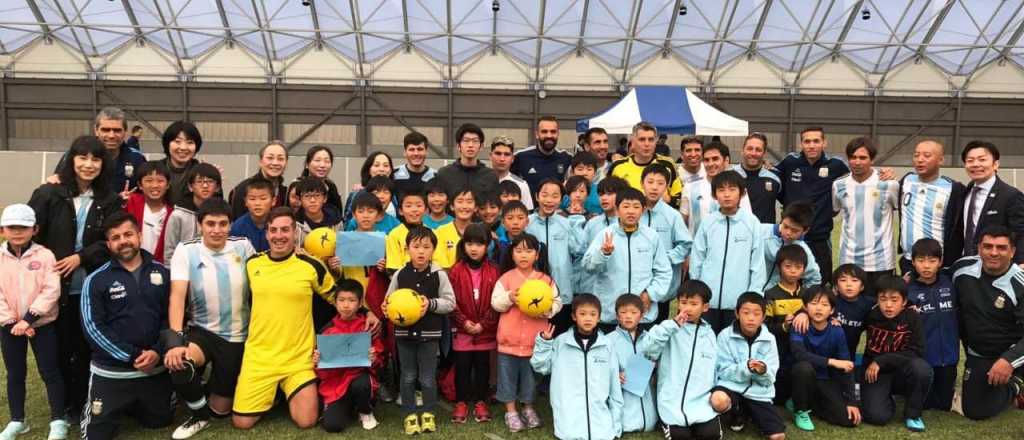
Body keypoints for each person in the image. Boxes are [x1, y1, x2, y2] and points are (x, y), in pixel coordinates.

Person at [28, 135, 123, 420]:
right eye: (82, 157)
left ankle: (83, 400)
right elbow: (30, 232)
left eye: (95, 159)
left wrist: (81, 257)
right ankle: (63, 404)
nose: (89, 164)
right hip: (53, 283)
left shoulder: (109, 198)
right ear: (72, 160)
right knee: (58, 347)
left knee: (85, 347)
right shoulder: (49, 193)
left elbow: (112, 240)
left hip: (89, 283)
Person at [232, 207, 335, 430]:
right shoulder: (252, 264)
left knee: (306, 421)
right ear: (267, 234)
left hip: (298, 358)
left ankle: (285, 390)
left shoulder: (311, 265)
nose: (279, 236)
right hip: (260, 357)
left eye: (285, 230)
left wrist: (369, 313)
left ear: (295, 233)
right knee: (242, 423)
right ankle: (274, 392)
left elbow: (339, 298)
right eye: (274, 230)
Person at [161, 199, 255, 439]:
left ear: (230, 225)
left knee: (221, 410)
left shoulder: (243, 246)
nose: (216, 229)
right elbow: (177, 297)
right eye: (210, 223)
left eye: (223, 224)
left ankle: (203, 393)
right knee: (180, 363)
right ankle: (198, 414)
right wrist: (175, 340)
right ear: (200, 224)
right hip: (202, 331)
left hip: (237, 336)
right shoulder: (187, 249)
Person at [80, 212, 174, 439]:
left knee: (160, 422)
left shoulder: (162, 272)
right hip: (112, 373)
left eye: (128, 234)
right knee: (96, 435)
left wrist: (157, 352)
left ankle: (136, 404)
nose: (123, 241)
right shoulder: (95, 279)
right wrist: (132, 355)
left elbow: (170, 318)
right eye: (116, 237)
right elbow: (93, 327)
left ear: (140, 236)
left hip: (154, 369)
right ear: (109, 244)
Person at [0, 204, 67, 440]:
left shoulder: (45, 255)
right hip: (10, 328)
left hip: (42, 325)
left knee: (50, 371)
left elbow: (51, 290)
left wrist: (29, 319)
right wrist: (11, 324)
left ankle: (59, 420)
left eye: (24, 227)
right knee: (15, 373)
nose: (18, 232)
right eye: (12, 227)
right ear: (3, 229)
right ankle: (18, 420)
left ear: (34, 229)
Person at [383, 226, 456, 435]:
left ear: (433, 249)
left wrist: (431, 304)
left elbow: (450, 303)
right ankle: (409, 415)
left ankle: (428, 414)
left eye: (426, 247)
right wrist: (386, 308)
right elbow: (388, 300)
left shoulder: (439, 274)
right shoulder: (399, 274)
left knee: (427, 377)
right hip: (404, 335)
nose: (421, 251)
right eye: (416, 246)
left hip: (430, 335)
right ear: (407, 249)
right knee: (407, 376)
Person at [639, 280, 730, 440]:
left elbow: (715, 368)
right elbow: (648, 349)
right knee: (680, 436)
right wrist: (672, 325)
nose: (687, 308)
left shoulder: (709, 335)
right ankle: (667, 421)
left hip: (701, 401)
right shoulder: (668, 328)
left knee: (710, 435)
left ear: (705, 307)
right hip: (671, 401)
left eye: (694, 303)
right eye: (683, 302)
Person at [951, 226, 1024, 420]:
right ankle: (1014, 384)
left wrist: (1008, 360)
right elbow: (937, 278)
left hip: (1013, 351)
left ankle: (1017, 380)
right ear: (979, 248)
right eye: (987, 246)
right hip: (980, 353)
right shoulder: (962, 269)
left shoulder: (1020, 283)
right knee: (976, 410)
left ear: (1012, 252)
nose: (993, 252)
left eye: (1001, 247)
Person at [491, 234, 561, 433]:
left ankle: (528, 408)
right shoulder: (506, 279)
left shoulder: (545, 280)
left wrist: (546, 310)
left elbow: (557, 302)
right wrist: (509, 297)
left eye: (529, 251)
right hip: (508, 341)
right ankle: (511, 411)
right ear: (512, 254)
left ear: (537, 255)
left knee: (531, 379)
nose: (524, 255)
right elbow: (495, 303)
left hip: (534, 342)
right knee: (507, 378)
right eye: (519, 251)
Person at [531, 294, 623, 440]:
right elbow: (541, 367)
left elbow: (615, 387)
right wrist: (544, 343)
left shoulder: (607, 344)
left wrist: (616, 425)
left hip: (601, 427)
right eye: (582, 314)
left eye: (593, 314)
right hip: (568, 425)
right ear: (574, 316)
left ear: (599, 318)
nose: (588, 318)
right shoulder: (561, 342)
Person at [583, 187, 671, 331]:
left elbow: (664, 271)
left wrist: (650, 293)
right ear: (617, 209)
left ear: (643, 210)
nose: (631, 211)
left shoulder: (651, 236)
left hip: (642, 314)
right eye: (626, 206)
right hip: (610, 313)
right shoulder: (605, 234)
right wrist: (603, 254)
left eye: (636, 207)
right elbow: (588, 266)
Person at [690, 171, 765, 332]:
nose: (727, 195)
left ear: (742, 193)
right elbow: (697, 258)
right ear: (714, 194)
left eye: (732, 189)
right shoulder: (708, 223)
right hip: (708, 301)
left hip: (737, 302)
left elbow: (758, 264)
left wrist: (752, 297)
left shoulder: (751, 223)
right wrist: (697, 292)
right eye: (721, 190)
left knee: (733, 344)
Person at [773, 127, 850, 284]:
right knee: (787, 283)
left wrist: (884, 174)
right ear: (801, 144)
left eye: (816, 141)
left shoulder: (835, 165)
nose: (811, 145)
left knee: (820, 283)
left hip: (820, 239)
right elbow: (772, 180)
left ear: (824, 143)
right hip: (791, 239)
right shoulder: (790, 161)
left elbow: (857, 177)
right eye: (807, 141)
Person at [860, 275, 930, 432]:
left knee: (922, 369)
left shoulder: (912, 316)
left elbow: (917, 351)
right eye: (883, 299)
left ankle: (913, 414)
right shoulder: (871, 314)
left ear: (904, 301)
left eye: (894, 299)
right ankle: (885, 397)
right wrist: (832, 319)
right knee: (876, 417)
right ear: (877, 299)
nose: (888, 305)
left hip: (902, 368)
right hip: (876, 372)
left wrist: (882, 360)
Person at [832, 137, 899, 296]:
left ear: (872, 159)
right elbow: (836, 208)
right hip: (849, 260)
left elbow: (900, 208)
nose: (857, 162)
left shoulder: (889, 185)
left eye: (863, 157)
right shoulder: (838, 185)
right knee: (851, 310)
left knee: (880, 309)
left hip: (881, 262)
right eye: (853, 157)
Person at [315, 279, 384, 432]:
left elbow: (380, 361)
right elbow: (323, 374)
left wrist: (374, 359)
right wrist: (318, 362)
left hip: (360, 380)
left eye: (352, 300)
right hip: (336, 385)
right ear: (335, 302)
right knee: (333, 426)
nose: (346, 305)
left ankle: (365, 410)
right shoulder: (327, 331)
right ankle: (348, 406)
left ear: (360, 304)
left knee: (362, 383)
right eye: (342, 300)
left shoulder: (367, 327)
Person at [448, 224, 500, 424]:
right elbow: (451, 301)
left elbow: (497, 302)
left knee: (482, 366)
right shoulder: (456, 270)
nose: (474, 248)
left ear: (487, 246)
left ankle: (480, 401)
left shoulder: (494, 271)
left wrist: (483, 324)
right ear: (464, 245)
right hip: (463, 330)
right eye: (469, 243)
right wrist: (464, 322)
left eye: (479, 244)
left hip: (485, 331)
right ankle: (461, 402)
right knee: (462, 366)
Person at [714, 293, 785, 440]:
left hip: (759, 393)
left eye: (756, 314)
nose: (751, 318)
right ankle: (736, 413)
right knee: (718, 400)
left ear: (763, 317)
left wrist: (762, 371)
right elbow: (722, 371)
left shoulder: (770, 339)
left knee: (778, 436)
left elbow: (770, 377)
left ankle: (748, 412)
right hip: (731, 388)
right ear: (737, 313)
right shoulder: (724, 336)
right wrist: (745, 368)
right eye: (746, 313)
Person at [789, 286, 860, 431]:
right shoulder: (799, 325)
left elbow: (847, 365)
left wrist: (851, 402)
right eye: (814, 303)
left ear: (832, 310)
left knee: (849, 420)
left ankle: (807, 403)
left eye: (824, 304)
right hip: (800, 376)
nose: (819, 309)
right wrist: (831, 362)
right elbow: (799, 354)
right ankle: (800, 410)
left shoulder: (837, 330)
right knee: (804, 367)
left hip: (825, 380)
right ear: (805, 307)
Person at [528, 178, 586, 334]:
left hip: (562, 294)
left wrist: (576, 220)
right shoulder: (527, 223)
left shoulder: (566, 223)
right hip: (533, 294)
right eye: (545, 195)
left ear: (561, 199)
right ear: (536, 196)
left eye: (555, 196)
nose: (549, 200)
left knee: (559, 341)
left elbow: (579, 250)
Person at [906, 238, 958, 411]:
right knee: (925, 403)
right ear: (912, 262)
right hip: (923, 358)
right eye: (920, 261)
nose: (926, 266)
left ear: (940, 262)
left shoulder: (950, 282)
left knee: (944, 404)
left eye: (932, 261)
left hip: (949, 358)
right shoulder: (907, 289)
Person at [898, 140, 966, 270]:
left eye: (927, 155)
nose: (920, 159)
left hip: (938, 263)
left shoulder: (953, 189)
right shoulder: (906, 181)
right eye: (916, 155)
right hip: (909, 261)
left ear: (941, 160)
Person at [50, 107, 146, 196]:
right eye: (106, 130)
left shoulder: (137, 159)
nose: (111, 135)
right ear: (96, 130)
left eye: (117, 130)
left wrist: (131, 201)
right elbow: (58, 184)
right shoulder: (73, 155)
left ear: (125, 132)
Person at [955, 140, 1024, 263]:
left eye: (982, 159)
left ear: (995, 164)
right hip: (966, 266)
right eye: (970, 160)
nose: (975, 164)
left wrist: (1021, 262)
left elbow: (1020, 233)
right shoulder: (964, 193)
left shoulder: (1011, 195)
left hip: (997, 267)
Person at [640, 165, 693, 323]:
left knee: (659, 327)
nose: (654, 187)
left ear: (667, 187)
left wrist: (665, 259)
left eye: (660, 183)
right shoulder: (634, 211)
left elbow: (685, 245)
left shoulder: (673, 216)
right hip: (637, 282)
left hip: (664, 285)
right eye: (650, 182)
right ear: (642, 183)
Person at [764, 244, 808, 405]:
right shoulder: (771, 294)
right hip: (779, 346)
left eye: (798, 267)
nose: (793, 271)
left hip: (802, 346)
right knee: (780, 379)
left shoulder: (807, 294)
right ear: (779, 267)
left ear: (804, 269)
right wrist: (783, 326)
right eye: (788, 266)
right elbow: (765, 326)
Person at [607, 295, 657, 433]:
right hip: (622, 391)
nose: (628, 316)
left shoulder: (649, 338)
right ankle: (626, 423)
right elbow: (602, 369)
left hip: (645, 392)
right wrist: (615, 375)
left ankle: (649, 420)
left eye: (634, 313)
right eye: (623, 312)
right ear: (617, 316)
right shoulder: (609, 341)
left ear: (641, 316)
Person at [680, 141, 752, 234]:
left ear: (726, 161)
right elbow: (682, 223)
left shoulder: (737, 187)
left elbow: (747, 221)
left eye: (715, 159)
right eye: (706, 160)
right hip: (697, 247)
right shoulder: (689, 187)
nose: (710, 164)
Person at [608, 122, 683, 207]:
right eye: (642, 139)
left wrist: (668, 200)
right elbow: (607, 196)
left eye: (651, 140)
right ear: (633, 142)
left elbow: (679, 197)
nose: (647, 144)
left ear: (655, 142)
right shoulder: (617, 166)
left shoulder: (667, 164)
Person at [577, 177, 626, 297]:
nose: (604, 198)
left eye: (609, 194)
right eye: (601, 194)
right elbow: (583, 254)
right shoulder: (592, 223)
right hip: (591, 289)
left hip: (620, 289)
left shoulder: (628, 224)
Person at [163, 163, 221, 263]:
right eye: (200, 181)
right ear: (190, 187)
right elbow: (169, 253)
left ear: (217, 187)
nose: (205, 185)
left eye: (210, 182)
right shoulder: (178, 215)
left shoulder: (222, 214)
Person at [761, 201, 821, 289]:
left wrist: (803, 297)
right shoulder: (760, 232)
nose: (788, 233)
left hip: (777, 298)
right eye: (785, 226)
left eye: (794, 230)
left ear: (805, 231)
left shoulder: (804, 250)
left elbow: (814, 279)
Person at [510, 116, 573, 196]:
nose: (549, 135)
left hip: (557, 208)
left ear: (558, 134)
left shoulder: (567, 158)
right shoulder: (521, 157)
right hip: (529, 208)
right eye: (544, 132)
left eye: (553, 132)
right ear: (537, 134)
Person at [337, 192, 388, 291]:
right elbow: (339, 272)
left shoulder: (386, 240)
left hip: (377, 294)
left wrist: (385, 268)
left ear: (378, 215)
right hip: (352, 295)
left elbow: (391, 271)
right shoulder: (345, 240)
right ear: (354, 215)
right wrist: (334, 267)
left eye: (370, 211)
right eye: (361, 211)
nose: (366, 216)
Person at [124, 161, 173, 263]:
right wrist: (119, 201)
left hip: (159, 268)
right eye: (149, 180)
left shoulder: (172, 214)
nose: (155, 185)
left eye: (160, 181)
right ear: (140, 185)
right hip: (130, 263)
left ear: (168, 185)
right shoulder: (130, 203)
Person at [436, 123, 499, 197]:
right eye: (466, 141)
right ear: (458, 146)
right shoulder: (444, 174)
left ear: (481, 146)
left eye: (475, 141)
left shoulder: (490, 176)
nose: (470, 145)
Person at [228, 141, 287, 219]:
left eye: (280, 159)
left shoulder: (286, 192)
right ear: (260, 161)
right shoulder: (243, 189)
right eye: (270, 158)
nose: (275, 163)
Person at [157, 121, 208, 206]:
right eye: (177, 141)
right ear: (167, 144)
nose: (183, 147)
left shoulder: (203, 172)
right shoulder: (154, 170)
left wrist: (212, 181)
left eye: (190, 142)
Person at [735, 133, 781, 223]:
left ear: (764, 153)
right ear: (742, 150)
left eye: (758, 150)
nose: (753, 153)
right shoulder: (730, 175)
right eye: (749, 149)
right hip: (737, 235)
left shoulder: (775, 177)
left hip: (765, 235)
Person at [344, 152, 397, 222]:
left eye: (386, 165)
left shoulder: (394, 194)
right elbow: (347, 223)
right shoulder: (357, 194)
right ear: (369, 169)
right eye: (376, 165)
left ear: (390, 170)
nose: (381, 169)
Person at [432, 186, 476, 269]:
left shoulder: (481, 232)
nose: (464, 206)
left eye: (469, 202)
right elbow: (440, 265)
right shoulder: (440, 232)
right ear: (452, 206)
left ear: (476, 207)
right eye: (460, 201)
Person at [385, 191, 428, 272]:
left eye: (419, 205)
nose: (414, 210)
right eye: (408, 206)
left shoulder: (433, 233)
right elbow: (393, 267)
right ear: (400, 211)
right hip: (403, 281)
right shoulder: (394, 235)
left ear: (426, 210)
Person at [293, 177, 343, 247]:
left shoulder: (336, 221)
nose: (312, 200)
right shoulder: (294, 224)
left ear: (325, 198)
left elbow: (341, 246)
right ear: (299, 200)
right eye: (307, 196)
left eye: (317, 195)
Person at [229, 179, 275, 252]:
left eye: (263, 198)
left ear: (273, 201)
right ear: (246, 202)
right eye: (252, 199)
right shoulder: (238, 227)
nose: (257, 203)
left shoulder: (279, 224)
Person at [490, 136, 534, 210]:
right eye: (498, 153)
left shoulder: (521, 185)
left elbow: (527, 215)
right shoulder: (480, 180)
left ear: (513, 158)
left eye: (507, 154)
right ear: (490, 156)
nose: (502, 159)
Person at [392, 132, 436, 201]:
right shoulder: (394, 174)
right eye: (412, 149)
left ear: (426, 152)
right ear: (405, 152)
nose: (416, 153)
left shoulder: (435, 176)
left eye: (420, 149)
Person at [298, 145, 343, 212]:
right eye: (317, 160)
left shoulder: (331, 186)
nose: (322, 165)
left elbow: (338, 212)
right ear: (307, 164)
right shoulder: (297, 185)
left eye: (327, 161)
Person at [562, 152, 601, 216]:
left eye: (589, 169)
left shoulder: (600, 191)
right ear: (572, 172)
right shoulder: (565, 191)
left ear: (595, 172)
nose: (584, 173)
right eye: (580, 169)